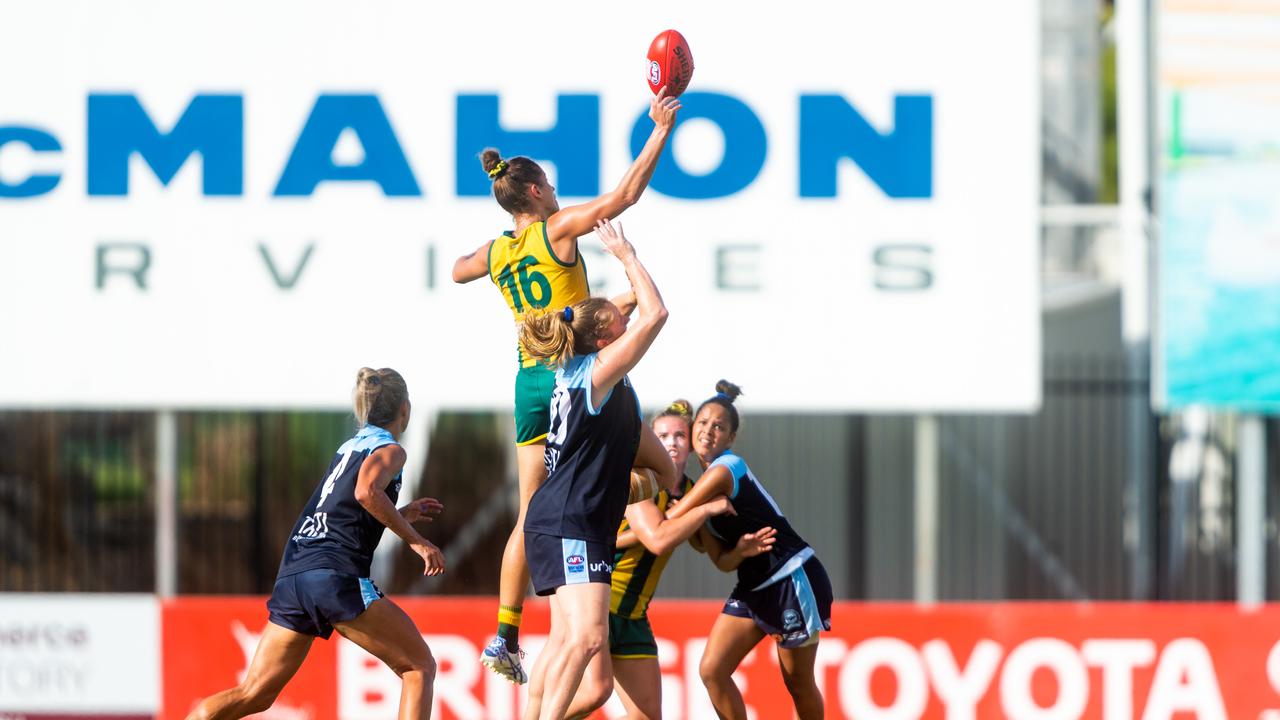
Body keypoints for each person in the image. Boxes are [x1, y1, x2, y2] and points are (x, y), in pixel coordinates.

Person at [452, 87, 681, 685]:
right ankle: (609, 545)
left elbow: (457, 270)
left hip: (529, 382)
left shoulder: (502, 250)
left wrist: (493, 257)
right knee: (666, 474)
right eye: (549, 186)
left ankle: (504, 634)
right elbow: (625, 196)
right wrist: (659, 129)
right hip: (577, 379)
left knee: (533, 510)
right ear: (535, 193)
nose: (555, 192)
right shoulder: (556, 230)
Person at [185, 368, 446, 720]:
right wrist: (418, 542)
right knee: (419, 667)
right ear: (405, 409)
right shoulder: (390, 449)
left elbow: (346, 510)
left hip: (295, 574)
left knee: (255, 693)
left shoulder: (348, 448)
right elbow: (366, 492)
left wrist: (403, 513)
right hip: (333, 578)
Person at [518, 219, 677, 720]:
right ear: (606, 334)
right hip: (570, 521)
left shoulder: (592, 366)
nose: (624, 316)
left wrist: (634, 484)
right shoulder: (600, 372)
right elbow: (655, 312)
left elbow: (632, 305)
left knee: (567, 638)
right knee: (586, 637)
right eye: (616, 318)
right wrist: (627, 253)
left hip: (571, 518)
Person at [544, 400, 774, 720]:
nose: (671, 443)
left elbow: (718, 558)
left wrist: (742, 549)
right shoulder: (640, 479)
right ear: (650, 441)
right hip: (600, 603)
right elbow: (658, 539)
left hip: (634, 615)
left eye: (680, 435)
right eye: (662, 436)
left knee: (647, 717)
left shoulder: (693, 491)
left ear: (690, 444)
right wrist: (706, 509)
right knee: (595, 691)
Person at [668, 381, 833, 720]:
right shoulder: (700, 495)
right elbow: (722, 562)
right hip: (753, 584)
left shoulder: (727, 468)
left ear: (729, 439)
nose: (708, 431)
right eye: (702, 423)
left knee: (798, 683)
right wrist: (741, 550)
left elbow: (668, 520)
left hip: (790, 577)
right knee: (712, 670)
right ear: (692, 427)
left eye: (719, 427)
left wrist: (647, 501)